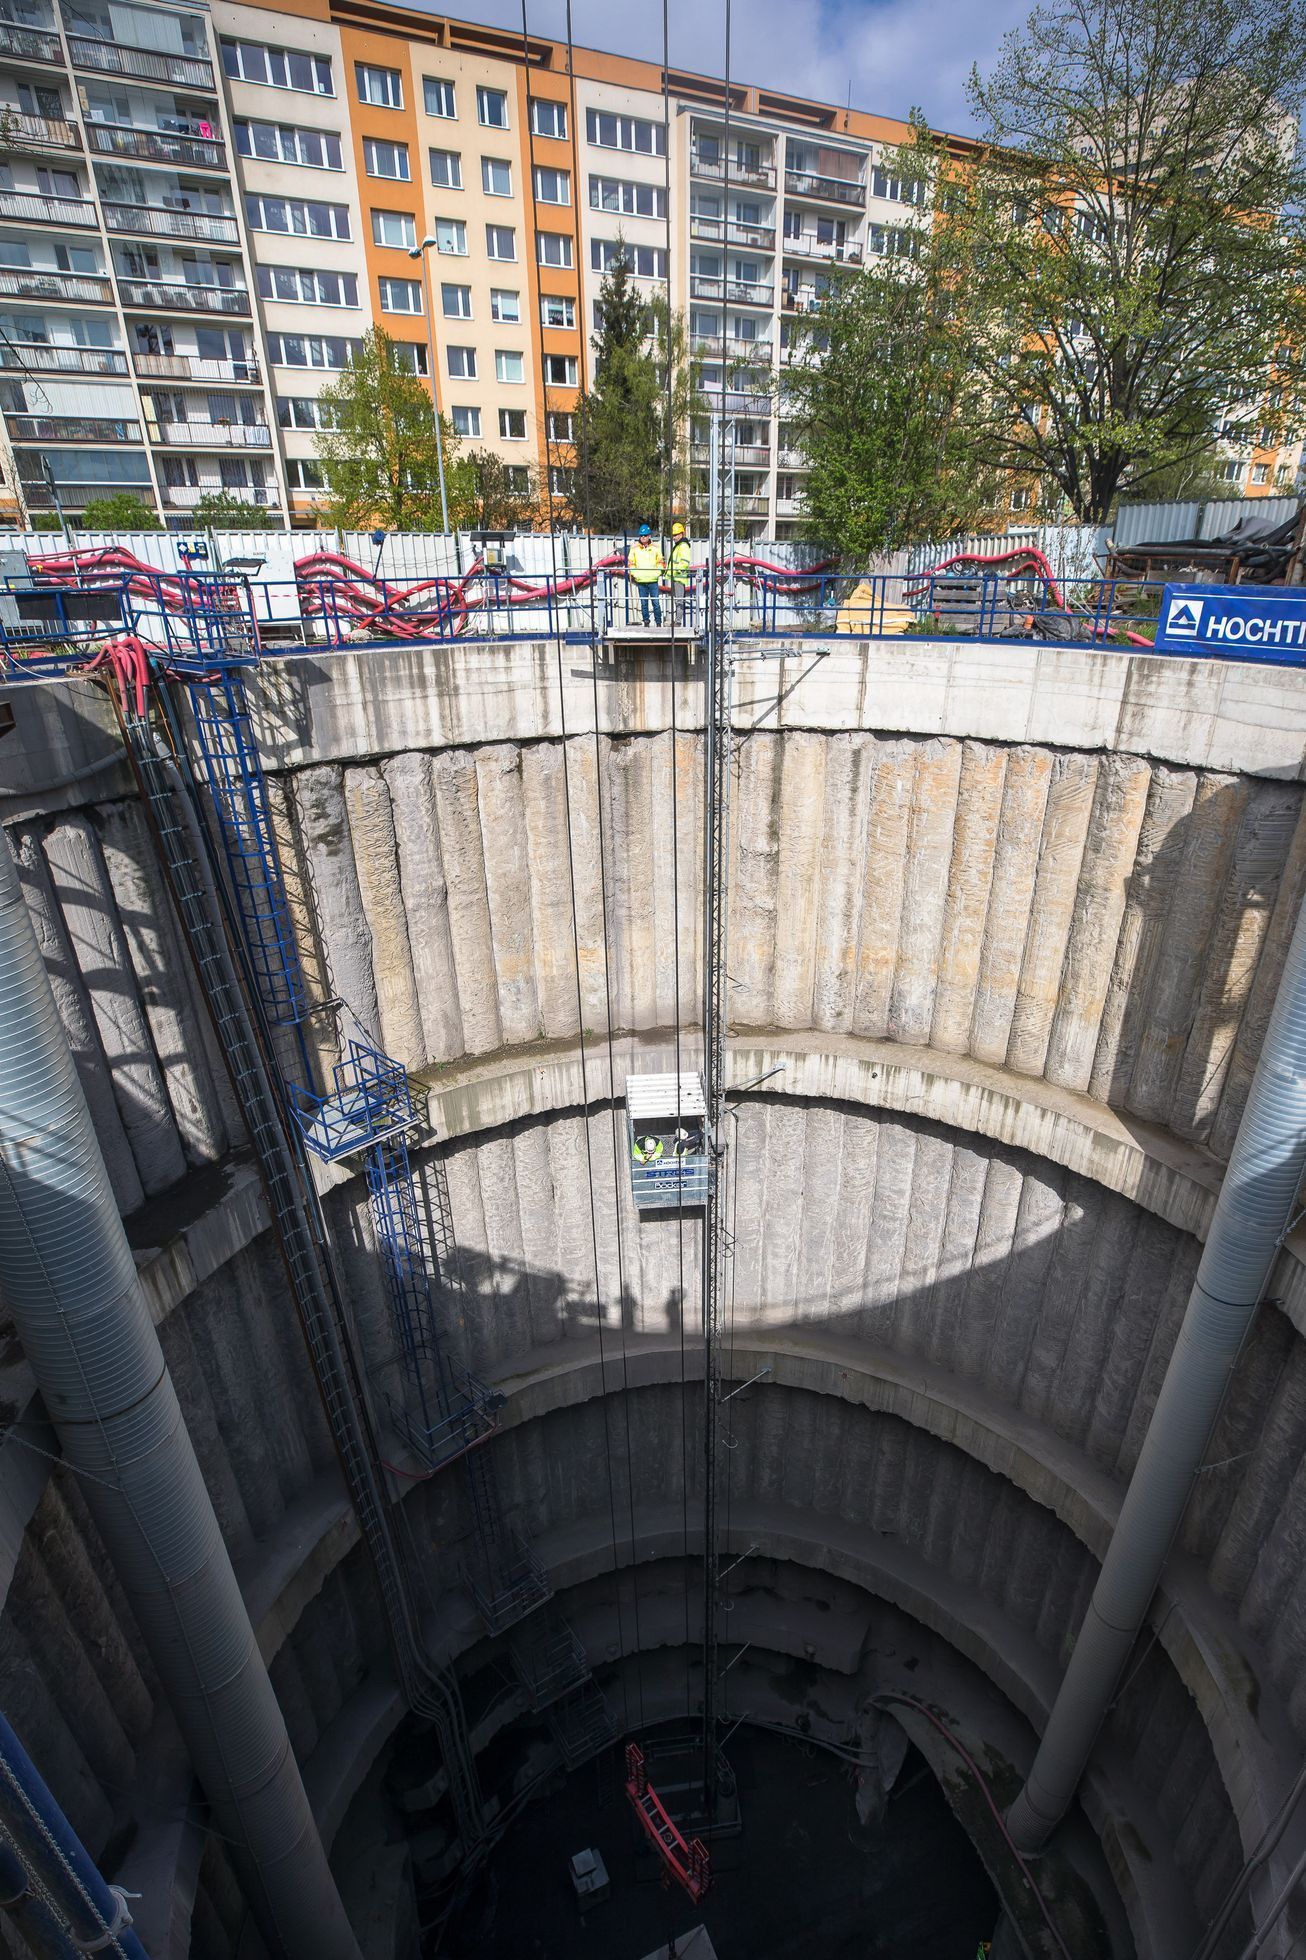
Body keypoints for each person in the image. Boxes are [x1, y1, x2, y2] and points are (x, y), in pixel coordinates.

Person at [627, 524, 665, 627]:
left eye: (645, 535)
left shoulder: (656, 547)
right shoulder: (634, 548)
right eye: (641, 535)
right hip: (641, 581)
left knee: (656, 603)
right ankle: (646, 622)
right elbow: (631, 563)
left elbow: (661, 562)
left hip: (653, 580)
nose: (643, 537)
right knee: (644, 603)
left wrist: (656, 573)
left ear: (649, 536)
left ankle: (658, 622)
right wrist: (637, 574)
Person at [669, 522, 692, 626]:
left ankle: (678, 622)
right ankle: (677, 621)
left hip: (679, 577)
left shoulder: (683, 546)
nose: (674, 537)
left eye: (676, 535)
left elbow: (685, 562)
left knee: (679, 600)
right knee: (677, 600)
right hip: (676, 576)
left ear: (681, 534)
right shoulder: (679, 546)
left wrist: (676, 570)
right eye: (673, 535)